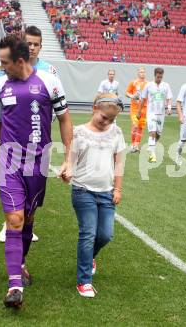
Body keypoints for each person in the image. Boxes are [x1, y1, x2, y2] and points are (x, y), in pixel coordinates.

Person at [0, 35, 73, 307]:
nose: (1, 67)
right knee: (14, 219)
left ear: (21, 61)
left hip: (38, 164)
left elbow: (64, 119)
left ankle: (21, 262)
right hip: (9, 163)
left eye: (5, 62)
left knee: (27, 218)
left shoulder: (49, 80)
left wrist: (68, 159)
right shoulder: (0, 84)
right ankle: (15, 286)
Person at [0, 25, 59, 243]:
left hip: (39, 144)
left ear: (41, 47)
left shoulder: (49, 73)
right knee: (13, 192)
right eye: (29, 43)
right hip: (12, 147)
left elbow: (57, 109)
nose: (32, 48)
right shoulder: (5, 73)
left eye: (36, 44)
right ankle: (10, 223)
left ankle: (26, 223)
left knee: (33, 194)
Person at [71, 93, 125, 298]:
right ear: (94, 108)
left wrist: (117, 189)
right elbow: (70, 161)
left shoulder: (117, 132)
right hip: (82, 190)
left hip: (107, 193)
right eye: (104, 117)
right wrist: (67, 171)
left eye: (111, 120)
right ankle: (84, 281)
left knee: (105, 235)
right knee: (88, 233)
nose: (107, 122)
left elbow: (119, 163)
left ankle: (89, 257)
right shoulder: (79, 133)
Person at [137, 68, 173, 163]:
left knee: (158, 134)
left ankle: (151, 146)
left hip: (161, 113)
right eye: (158, 77)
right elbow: (143, 99)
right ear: (154, 75)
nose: (159, 78)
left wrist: (169, 108)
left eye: (161, 77)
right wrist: (139, 111)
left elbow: (169, 98)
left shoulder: (166, 86)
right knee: (152, 132)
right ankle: (152, 155)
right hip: (151, 113)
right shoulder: (148, 85)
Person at [126, 67, 148, 153]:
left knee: (140, 128)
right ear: (138, 73)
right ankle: (133, 144)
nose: (142, 73)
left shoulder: (148, 84)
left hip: (144, 108)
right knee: (135, 125)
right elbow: (127, 93)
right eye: (140, 72)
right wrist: (132, 96)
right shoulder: (133, 83)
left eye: (143, 72)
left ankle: (136, 145)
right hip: (135, 108)